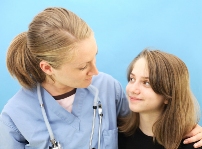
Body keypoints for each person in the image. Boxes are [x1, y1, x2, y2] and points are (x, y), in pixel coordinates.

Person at [0, 7, 201, 149]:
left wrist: (190, 130)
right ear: (48, 68)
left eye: (94, 57)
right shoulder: (14, 117)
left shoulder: (107, 88)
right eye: (82, 66)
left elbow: (143, 125)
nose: (95, 71)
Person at [118, 49, 202, 149]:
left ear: (168, 95)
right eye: (132, 79)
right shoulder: (118, 132)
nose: (132, 89)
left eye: (146, 83)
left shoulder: (191, 144)